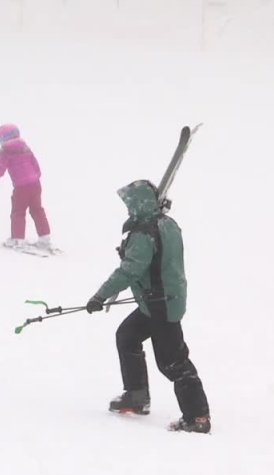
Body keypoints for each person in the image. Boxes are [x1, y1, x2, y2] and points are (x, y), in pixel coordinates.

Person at [85, 179, 210, 434]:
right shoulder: (166, 224)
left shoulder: (144, 234)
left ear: (140, 204)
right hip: (158, 301)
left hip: (160, 304)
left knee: (173, 362)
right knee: (128, 336)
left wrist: (100, 296)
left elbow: (129, 270)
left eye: (130, 205)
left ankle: (197, 417)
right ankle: (136, 396)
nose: (128, 209)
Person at [0, 124, 53, 248]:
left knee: (18, 212)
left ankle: (18, 239)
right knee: (37, 210)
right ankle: (45, 238)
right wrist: (35, 177)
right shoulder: (25, 147)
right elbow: (35, 164)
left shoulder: (6, 152)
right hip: (35, 185)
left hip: (21, 188)